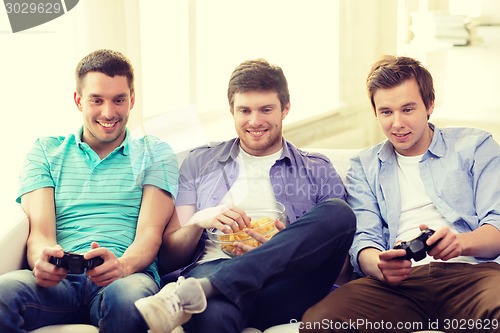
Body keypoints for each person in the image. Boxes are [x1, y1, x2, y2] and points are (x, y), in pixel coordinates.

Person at [134, 58, 357, 333]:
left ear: (285, 109)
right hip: (213, 272)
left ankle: (203, 289)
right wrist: (198, 221)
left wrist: (287, 246)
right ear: (232, 111)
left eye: (266, 109)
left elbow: (344, 265)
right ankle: (207, 289)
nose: (255, 121)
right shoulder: (199, 163)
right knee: (211, 314)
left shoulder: (317, 169)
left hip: (288, 283)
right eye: (245, 110)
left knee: (339, 212)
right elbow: (169, 259)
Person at [300, 55, 500, 333]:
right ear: (375, 112)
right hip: (398, 286)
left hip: (472, 277)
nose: (397, 124)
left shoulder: (476, 146)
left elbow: (497, 226)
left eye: (407, 109)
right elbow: (364, 239)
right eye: (386, 112)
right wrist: (379, 265)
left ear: (429, 105)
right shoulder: (364, 166)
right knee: (320, 323)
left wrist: (460, 243)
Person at [0, 49, 179, 333]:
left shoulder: (155, 152)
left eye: (119, 100)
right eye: (97, 100)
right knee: (3, 292)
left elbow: (150, 235)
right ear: (78, 100)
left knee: (129, 300)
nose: (109, 113)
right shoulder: (46, 151)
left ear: (132, 99)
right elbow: (40, 234)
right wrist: (42, 261)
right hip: (60, 282)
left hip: (125, 277)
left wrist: (122, 266)